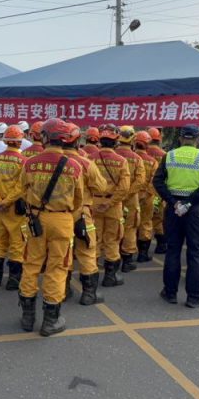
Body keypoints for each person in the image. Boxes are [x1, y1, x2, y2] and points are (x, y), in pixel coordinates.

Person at [18, 119, 83, 336]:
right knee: (57, 268)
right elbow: (78, 200)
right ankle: (50, 321)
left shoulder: (30, 163)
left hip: (36, 219)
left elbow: (22, 190)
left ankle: (27, 317)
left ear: (44, 137)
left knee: (31, 264)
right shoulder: (75, 166)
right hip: (63, 220)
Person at [153, 124, 199, 308]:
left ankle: (170, 293)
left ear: (180, 138)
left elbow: (157, 181)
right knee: (196, 253)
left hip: (174, 209)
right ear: (197, 139)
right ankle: (194, 297)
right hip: (196, 209)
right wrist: (189, 202)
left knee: (173, 250)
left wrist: (174, 202)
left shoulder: (169, 156)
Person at [63, 124, 105, 305]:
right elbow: (101, 187)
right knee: (87, 252)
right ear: (77, 140)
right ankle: (89, 294)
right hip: (82, 215)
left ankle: (62, 289)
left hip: (59, 216)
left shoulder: (49, 162)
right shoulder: (87, 163)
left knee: (63, 253)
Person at [88, 124, 131, 287]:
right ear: (115, 143)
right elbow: (124, 188)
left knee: (95, 240)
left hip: (94, 203)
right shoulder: (121, 161)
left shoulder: (91, 159)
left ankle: (91, 277)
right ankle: (110, 277)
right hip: (113, 206)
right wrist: (111, 203)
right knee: (112, 240)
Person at [0, 126, 26, 291]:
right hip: (15, 209)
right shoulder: (24, 161)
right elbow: (21, 187)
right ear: (20, 142)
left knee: (0, 240)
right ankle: (13, 279)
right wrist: (8, 201)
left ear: (4, 140)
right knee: (17, 243)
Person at [115, 126, 147, 273]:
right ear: (132, 139)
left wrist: (117, 195)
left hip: (112, 200)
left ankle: (111, 260)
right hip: (130, 200)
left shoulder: (110, 156)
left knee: (111, 228)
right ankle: (127, 260)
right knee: (130, 228)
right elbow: (140, 181)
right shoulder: (137, 159)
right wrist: (127, 193)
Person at [134, 131, 158, 263]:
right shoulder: (152, 161)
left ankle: (126, 252)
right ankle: (143, 254)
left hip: (130, 196)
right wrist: (146, 194)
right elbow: (154, 181)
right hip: (147, 197)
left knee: (129, 223)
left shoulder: (129, 158)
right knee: (146, 223)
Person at [146, 128, 168, 254]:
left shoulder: (142, 153)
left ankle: (142, 248)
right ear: (159, 139)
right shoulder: (164, 154)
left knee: (144, 220)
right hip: (160, 191)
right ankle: (161, 245)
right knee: (158, 219)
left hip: (145, 191)